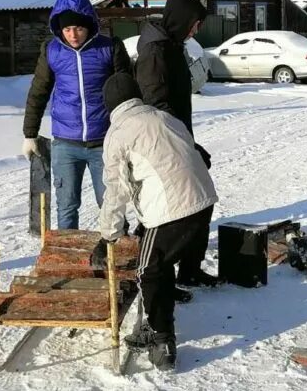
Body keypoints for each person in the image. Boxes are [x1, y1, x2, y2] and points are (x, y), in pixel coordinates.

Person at [91, 73, 217, 371]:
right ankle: (164, 306)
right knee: (159, 257)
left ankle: (162, 339)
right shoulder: (165, 117)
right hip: (203, 200)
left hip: (173, 209)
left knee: (147, 268)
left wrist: (107, 236)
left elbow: (116, 191)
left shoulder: (118, 133)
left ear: (109, 105)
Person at [22, 0, 132, 230]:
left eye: (79, 28)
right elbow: (38, 92)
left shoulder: (109, 48)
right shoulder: (51, 51)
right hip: (65, 143)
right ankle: (67, 261)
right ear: (59, 28)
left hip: (105, 142)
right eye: (67, 29)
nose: (73, 34)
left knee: (111, 203)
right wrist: (30, 134)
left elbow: (127, 92)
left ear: (89, 25)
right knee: (67, 205)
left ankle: (122, 256)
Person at [134, 0, 219, 287]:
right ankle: (159, 280)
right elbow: (157, 104)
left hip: (178, 135)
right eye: (194, 24)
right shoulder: (155, 52)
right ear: (181, 20)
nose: (195, 30)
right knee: (171, 209)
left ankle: (189, 270)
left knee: (199, 199)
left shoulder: (170, 44)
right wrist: (186, 144)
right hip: (164, 142)